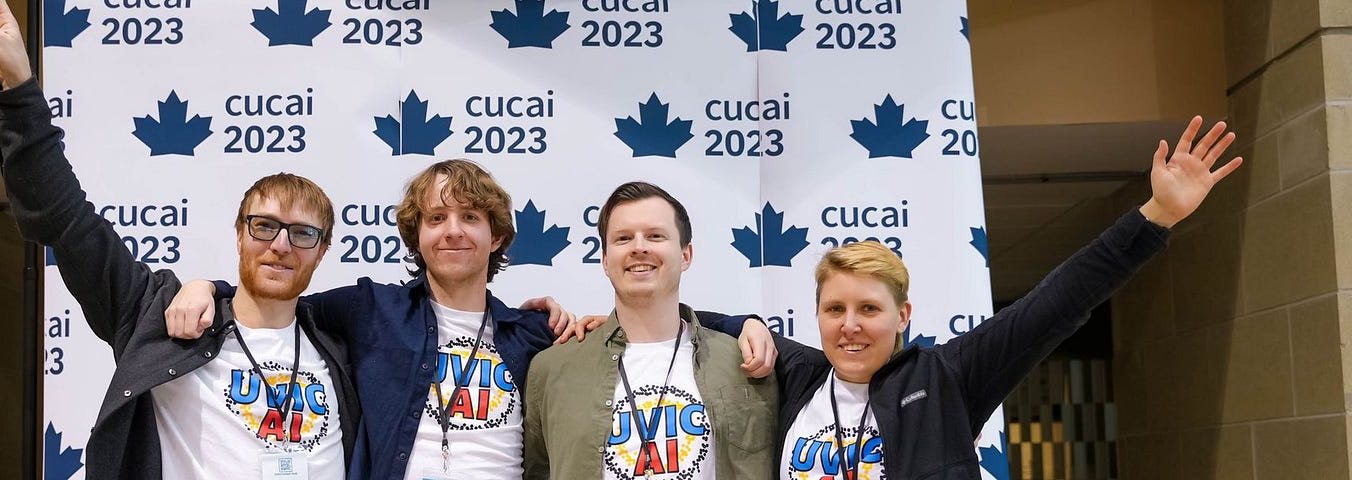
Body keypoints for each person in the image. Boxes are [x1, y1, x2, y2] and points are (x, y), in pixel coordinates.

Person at [697, 116, 1242, 479]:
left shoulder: (947, 377)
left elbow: (1055, 305)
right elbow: (696, 326)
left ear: (902, 316)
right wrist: (628, 323)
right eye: (835, 309)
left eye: (869, 309)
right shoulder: (799, 374)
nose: (850, 325)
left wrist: (1158, 215)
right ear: (817, 315)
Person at [0, 0, 362, 478]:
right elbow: (66, 220)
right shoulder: (157, 318)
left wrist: (211, 285)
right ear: (239, 234)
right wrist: (20, 90)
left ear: (322, 250)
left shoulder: (345, 344)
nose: (280, 245)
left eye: (302, 234)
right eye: (264, 226)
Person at [171, 160, 596, 479]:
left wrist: (597, 335)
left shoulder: (532, 333)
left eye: (470, 217)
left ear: (497, 236)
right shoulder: (372, 310)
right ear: (417, 236)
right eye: (436, 218)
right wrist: (207, 287)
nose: (452, 231)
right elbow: (278, 295)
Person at [522, 182, 780, 479]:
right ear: (605, 260)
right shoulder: (552, 369)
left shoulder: (746, 360)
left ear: (686, 255)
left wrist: (749, 322)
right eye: (623, 238)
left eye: (655, 236)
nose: (639, 247)